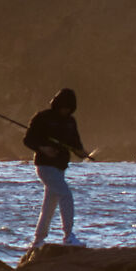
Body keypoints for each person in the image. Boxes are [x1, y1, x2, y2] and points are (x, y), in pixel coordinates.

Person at [22, 87, 88, 255]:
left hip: (60, 167)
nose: (65, 110)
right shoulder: (42, 117)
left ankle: (38, 241)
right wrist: (43, 148)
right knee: (66, 195)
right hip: (45, 166)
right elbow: (28, 139)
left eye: (68, 107)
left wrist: (80, 152)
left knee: (49, 204)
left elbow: (76, 143)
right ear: (57, 104)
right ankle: (68, 236)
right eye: (62, 106)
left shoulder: (70, 122)